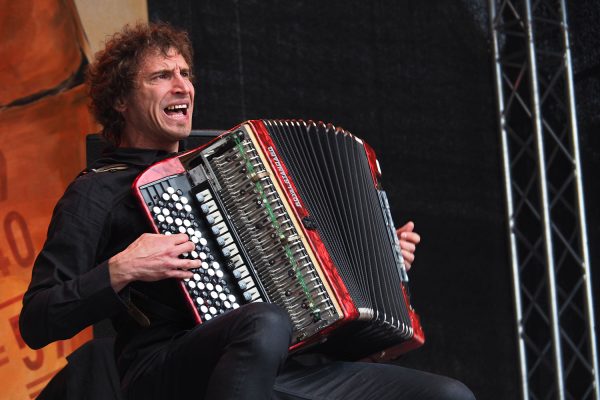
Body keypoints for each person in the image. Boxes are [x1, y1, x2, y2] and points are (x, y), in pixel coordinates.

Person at [20, 22, 475, 400]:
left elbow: (306, 255)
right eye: (161, 76)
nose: (182, 85)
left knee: (448, 395)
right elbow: (38, 319)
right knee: (266, 320)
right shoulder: (97, 191)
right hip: (164, 370)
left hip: (282, 364)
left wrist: (379, 253)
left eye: (185, 73)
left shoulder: (225, 166)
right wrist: (121, 269)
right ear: (120, 100)